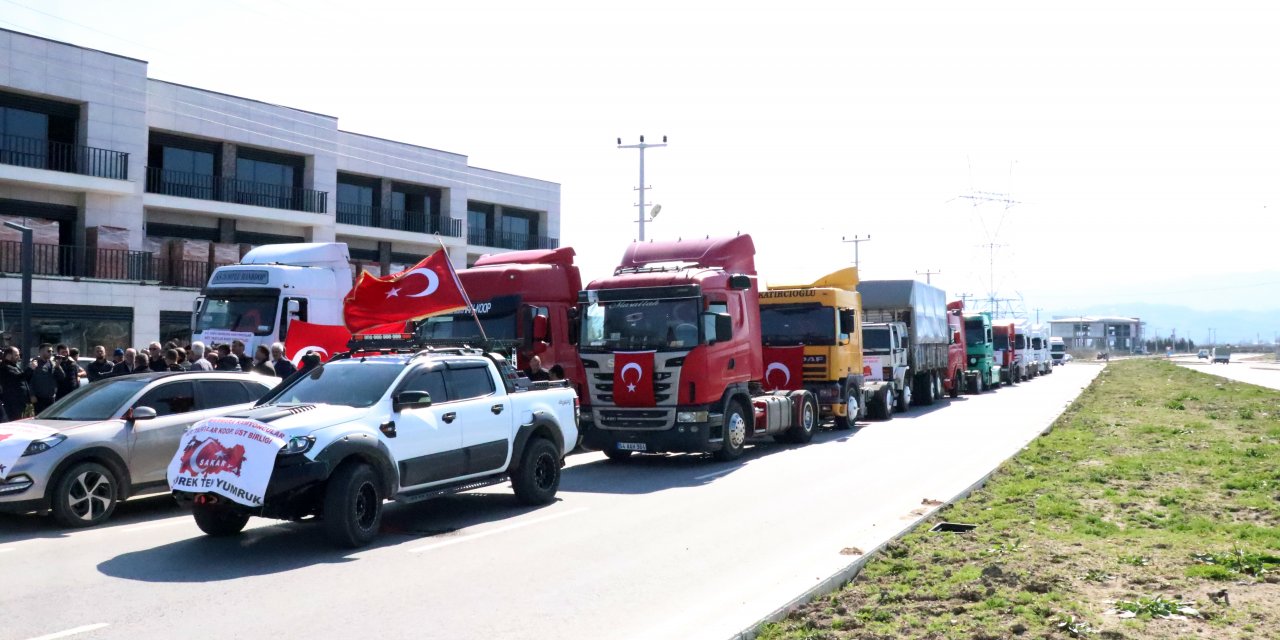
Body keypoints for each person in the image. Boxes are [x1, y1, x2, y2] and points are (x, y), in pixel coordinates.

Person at [28, 343, 65, 414]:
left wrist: (58, 366)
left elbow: (62, 377)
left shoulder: (52, 363)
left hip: (51, 397)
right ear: (41, 352)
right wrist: (32, 395)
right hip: (39, 398)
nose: (51, 353)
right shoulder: (35, 363)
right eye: (48, 351)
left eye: (52, 351)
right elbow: (29, 380)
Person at [1, 346, 32, 422]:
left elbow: (23, 380)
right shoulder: (4, 367)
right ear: (8, 355)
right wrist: (30, 368)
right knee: (15, 421)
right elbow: (18, 377)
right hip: (13, 402)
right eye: (16, 355)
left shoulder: (15, 366)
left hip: (21, 401)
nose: (18, 357)